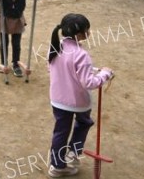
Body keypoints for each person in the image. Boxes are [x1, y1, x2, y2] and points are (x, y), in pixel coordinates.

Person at [47, 13, 114, 177]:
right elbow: (89, 83)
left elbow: (52, 67)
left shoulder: (56, 46)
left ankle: (57, 164)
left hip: (57, 99)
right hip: (77, 101)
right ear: (78, 34)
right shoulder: (81, 55)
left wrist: (90, 70)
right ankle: (72, 152)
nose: (89, 33)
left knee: (60, 131)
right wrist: (105, 74)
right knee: (84, 122)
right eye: (87, 30)